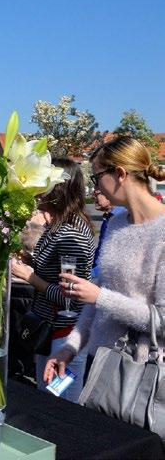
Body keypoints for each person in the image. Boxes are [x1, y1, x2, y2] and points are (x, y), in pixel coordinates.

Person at [44, 137, 165, 387]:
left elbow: (162, 321)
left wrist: (100, 297)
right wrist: (70, 347)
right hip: (99, 363)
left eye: (96, 177)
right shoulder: (118, 223)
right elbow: (99, 297)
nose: (95, 186)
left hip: (141, 375)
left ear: (120, 174)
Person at [10, 158, 95, 402]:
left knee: (58, 407)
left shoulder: (70, 232)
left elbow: (71, 296)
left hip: (63, 336)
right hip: (51, 333)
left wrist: (29, 276)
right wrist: (30, 259)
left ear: (57, 187)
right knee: (46, 399)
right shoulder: (58, 224)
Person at [90, 189, 126, 283]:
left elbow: (112, 262)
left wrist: (87, 274)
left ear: (108, 193)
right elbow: (101, 251)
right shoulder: (109, 217)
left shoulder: (121, 220)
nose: (92, 196)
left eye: (96, 192)